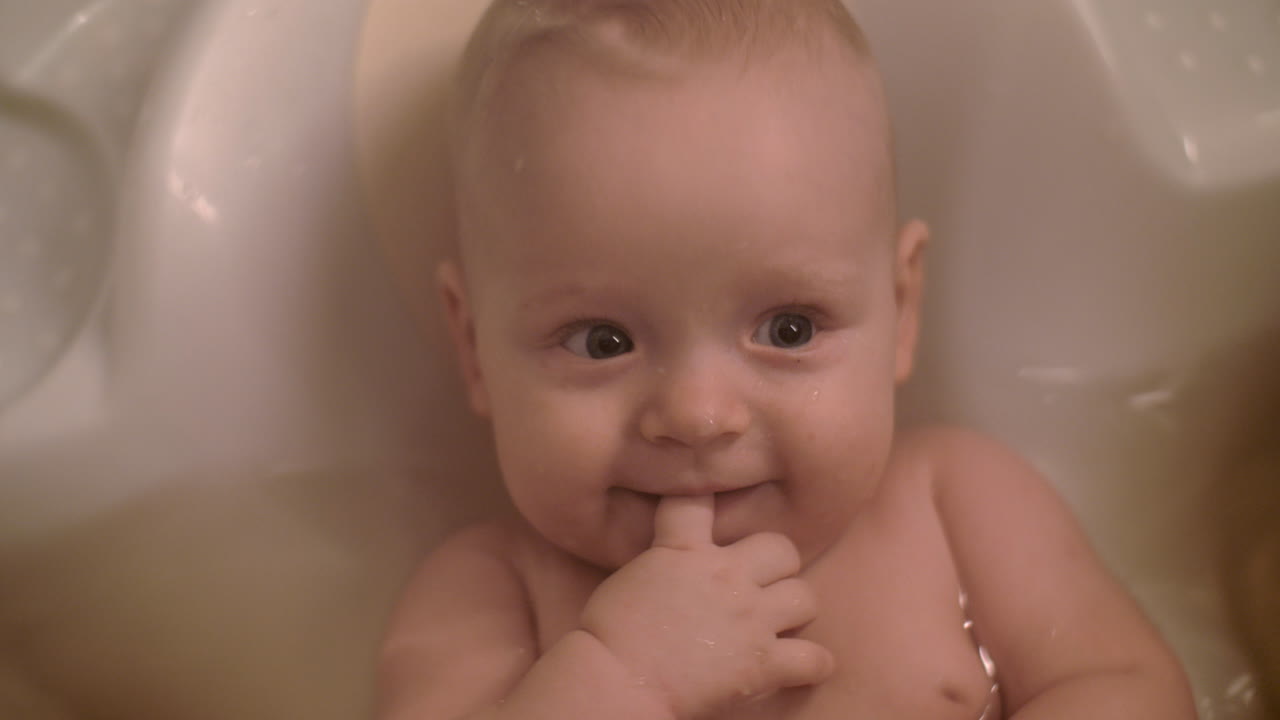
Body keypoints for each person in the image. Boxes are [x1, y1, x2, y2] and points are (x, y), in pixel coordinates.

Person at [377, 1, 1196, 717]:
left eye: (790, 329)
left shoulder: (960, 507)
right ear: (474, 349)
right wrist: (623, 682)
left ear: (901, 311)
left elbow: (1131, 688)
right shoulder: (491, 595)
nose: (698, 415)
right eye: (603, 341)